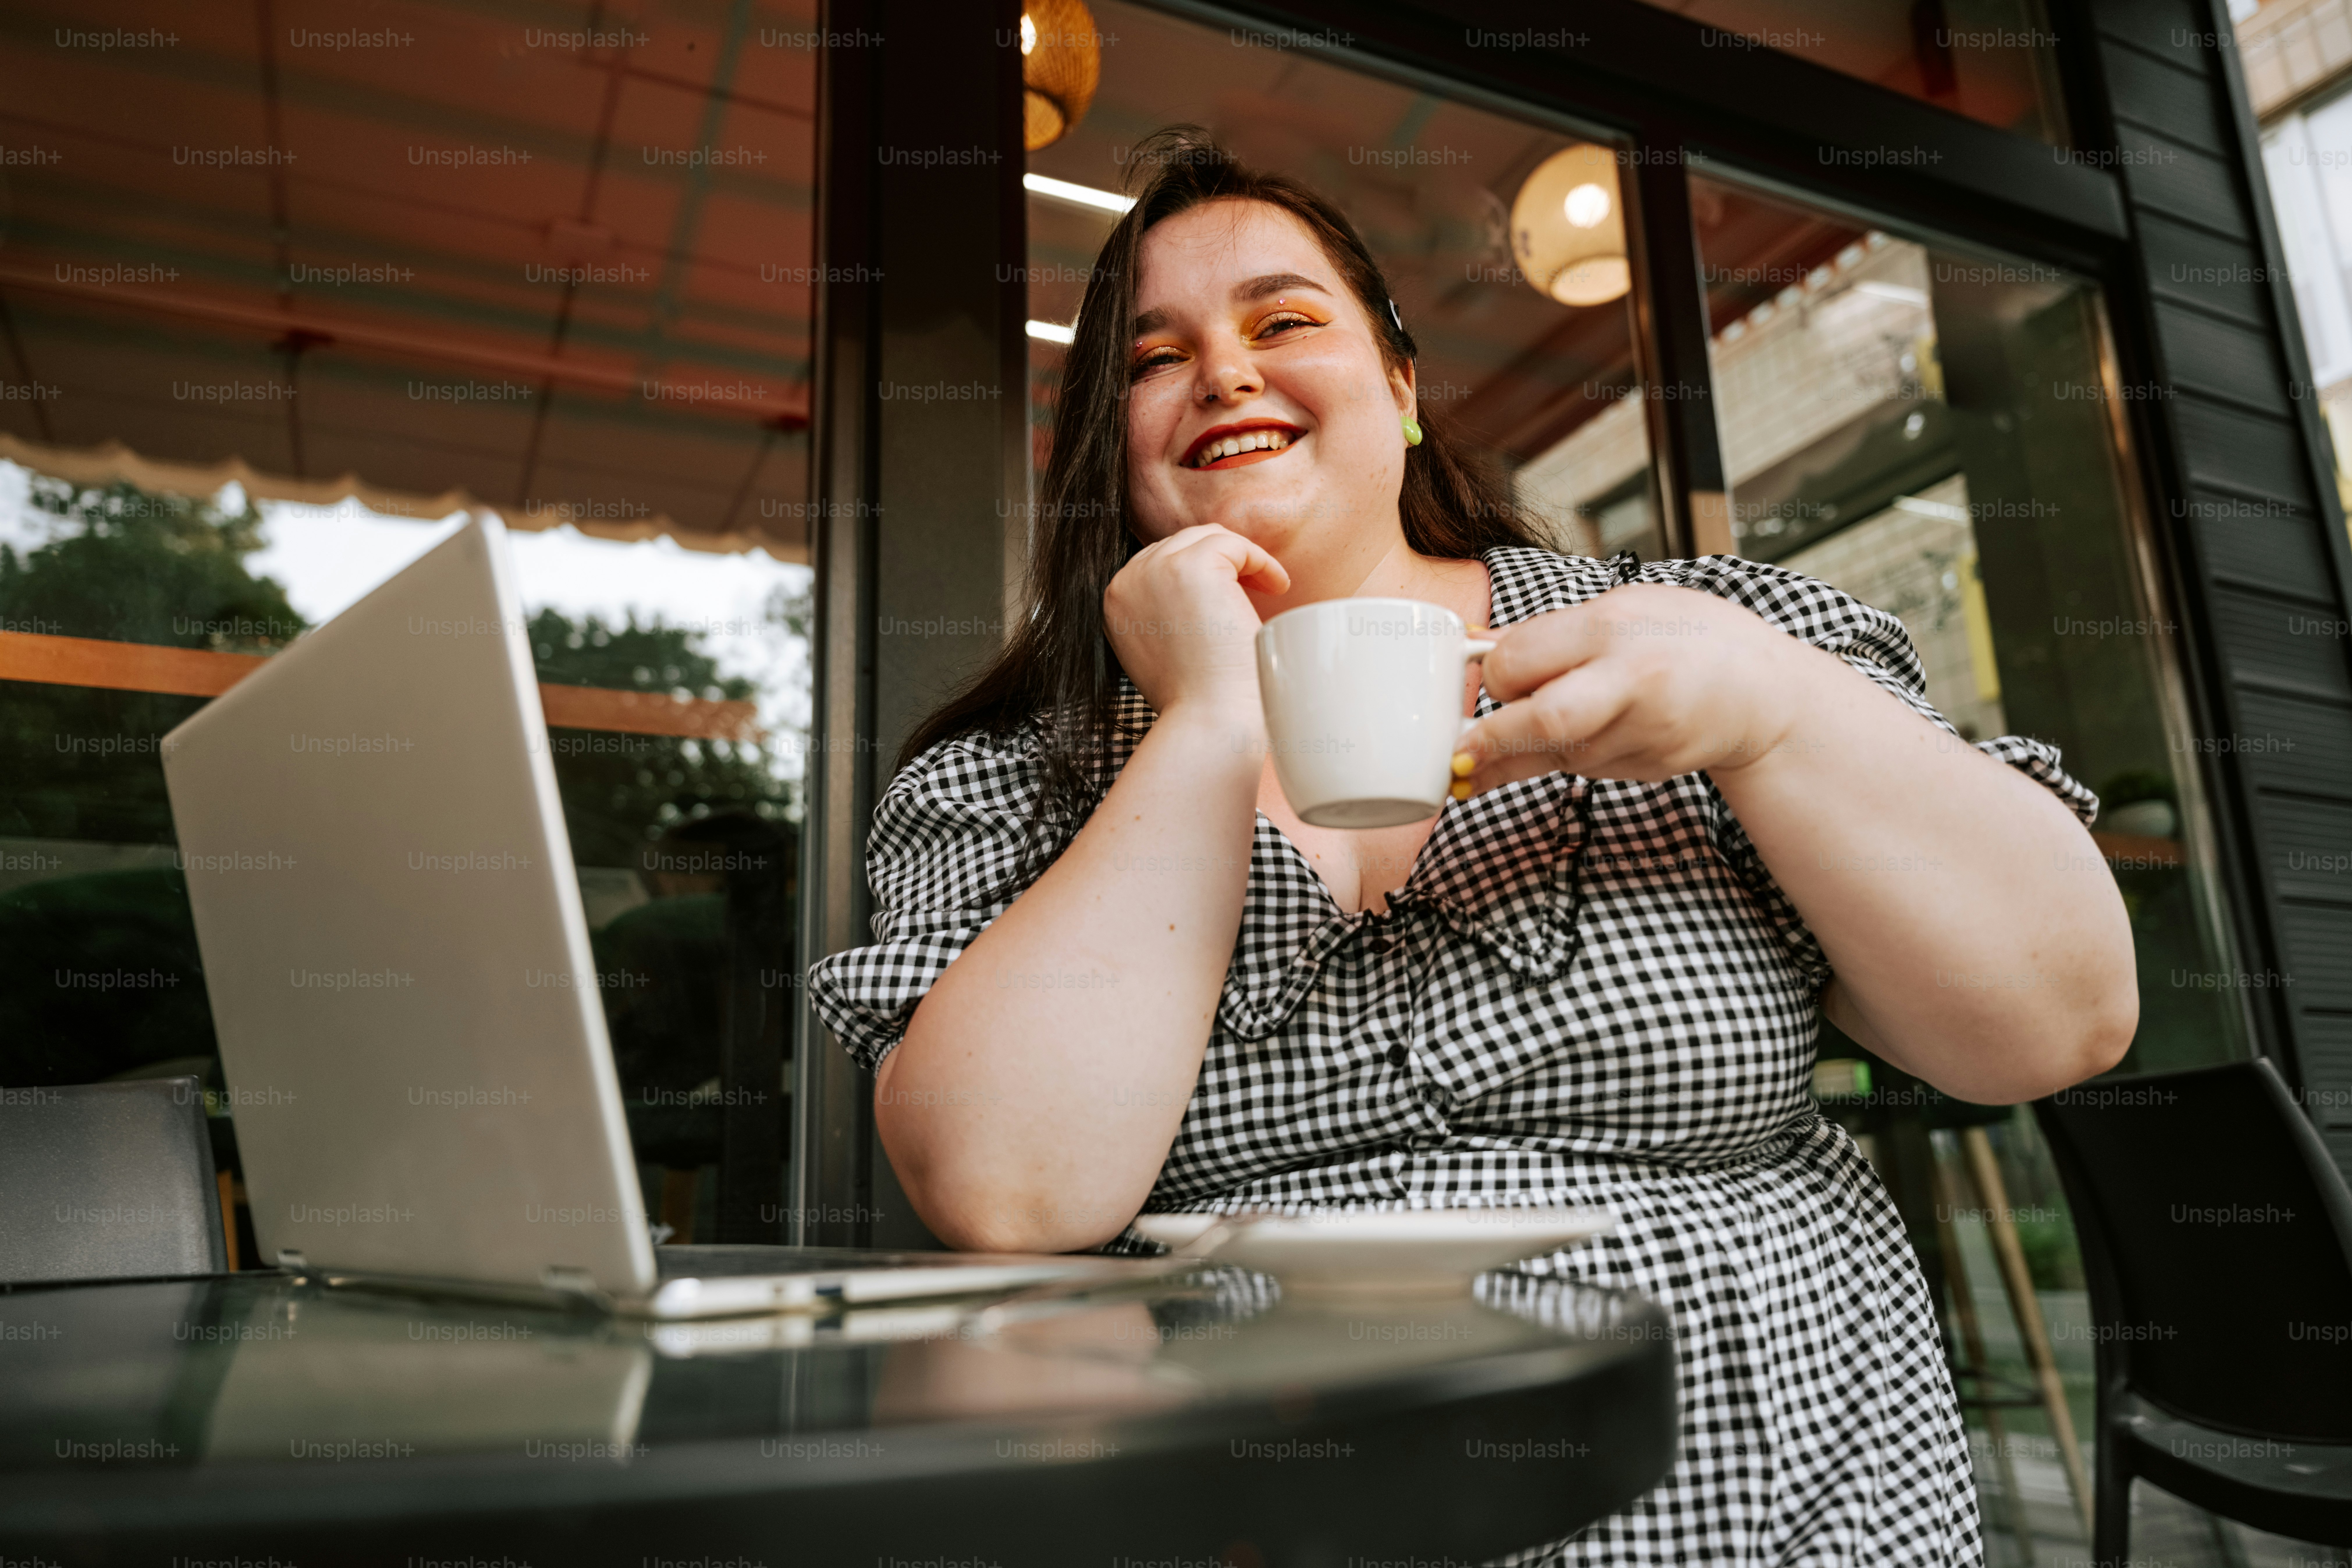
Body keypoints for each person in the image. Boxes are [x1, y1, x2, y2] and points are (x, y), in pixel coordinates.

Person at [808, 125, 2136, 1566]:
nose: (1224, 372)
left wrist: (1765, 719)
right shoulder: (1011, 777)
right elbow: (1005, 1192)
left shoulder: (1696, 638)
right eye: (1150, 357)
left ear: (1399, 388)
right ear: (1107, 453)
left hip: (1779, 1515)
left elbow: (2057, 1019)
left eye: (1282, 320)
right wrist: (1200, 719)